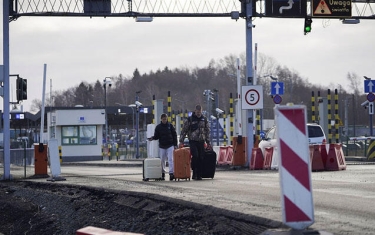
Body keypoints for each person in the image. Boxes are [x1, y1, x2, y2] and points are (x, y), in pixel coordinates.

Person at [179, 104, 211, 180]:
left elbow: (207, 131)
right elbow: (184, 130)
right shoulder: (190, 119)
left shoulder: (204, 119)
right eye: (197, 112)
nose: (198, 113)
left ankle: (199, 174)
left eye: (200, 112)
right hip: (193, 141)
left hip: (201, 141)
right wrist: (181, 141)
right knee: (195, 156)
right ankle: (194, 172)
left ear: (201, 111)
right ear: (195, 111)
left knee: (201, 157)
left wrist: (208, 141)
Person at [148, 113, 177, 181]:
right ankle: (163, 173)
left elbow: (174, 135)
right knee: (162, 160)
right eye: (163, 119)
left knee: (170, 159)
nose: (165, 120)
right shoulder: (158, 127)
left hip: (170, 145)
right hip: (162, 146)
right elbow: (156, 136)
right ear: (161, 119)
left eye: (166, 119)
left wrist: (175, 144)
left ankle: (171, 173)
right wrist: (153, 138)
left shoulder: (170, 126)